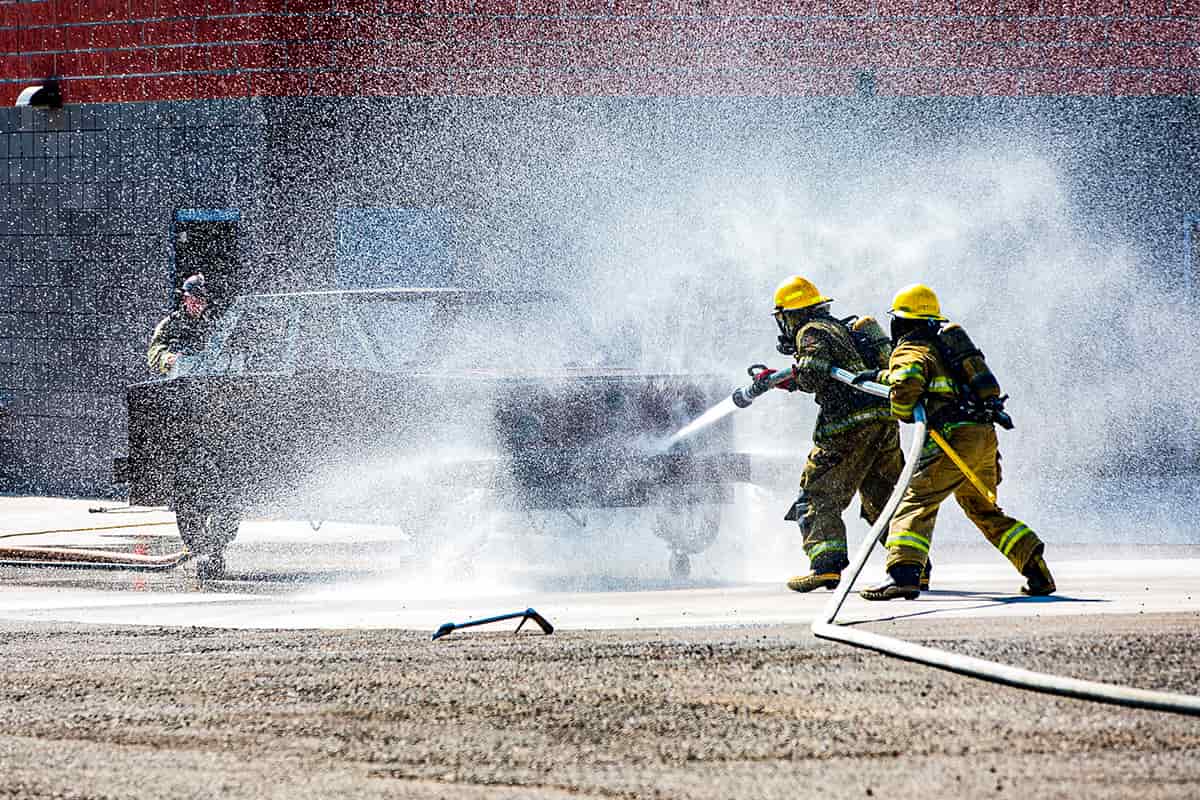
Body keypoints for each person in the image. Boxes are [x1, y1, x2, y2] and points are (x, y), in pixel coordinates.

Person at [860, 283, 1056, 601]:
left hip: (952, 440)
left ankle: (902, 576)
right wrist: (879, 377)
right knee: (983, 509)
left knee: (915, 502)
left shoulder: (911, 349)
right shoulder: (946, 350)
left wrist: (902, 410)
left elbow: (907, 383)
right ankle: (1036, 570)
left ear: (901, 322)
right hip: (983, 438)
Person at [758, 276, 909, 593]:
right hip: (884, 422)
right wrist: (785, 379)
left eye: (784, 318)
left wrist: (783, 378)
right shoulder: (841, 329)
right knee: (883, 499)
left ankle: (825, 567)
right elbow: (826, 371)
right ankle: (911, 568)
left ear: (793, 314)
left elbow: (812, 374)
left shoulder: (811, 331)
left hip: (847, 428)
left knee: (817, 496)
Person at [147, 273, 213, 376]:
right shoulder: (169, 324)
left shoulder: (209, 326)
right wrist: (167, 359)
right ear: (185, 299)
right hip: (174, 377)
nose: (198, 305)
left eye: (202, 301)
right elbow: (153, 353)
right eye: (194, 300)